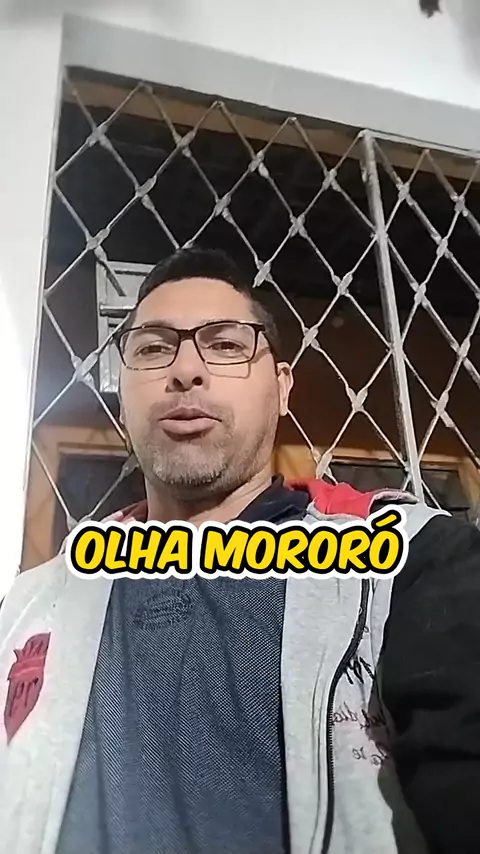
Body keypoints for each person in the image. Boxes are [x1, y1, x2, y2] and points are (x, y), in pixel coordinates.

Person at [0, 247, 479, 854]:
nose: (186, 371)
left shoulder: (413, 564)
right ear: (123, 393)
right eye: (153, 348)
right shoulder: (33, 602)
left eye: (225, 345)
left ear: (281, 388)